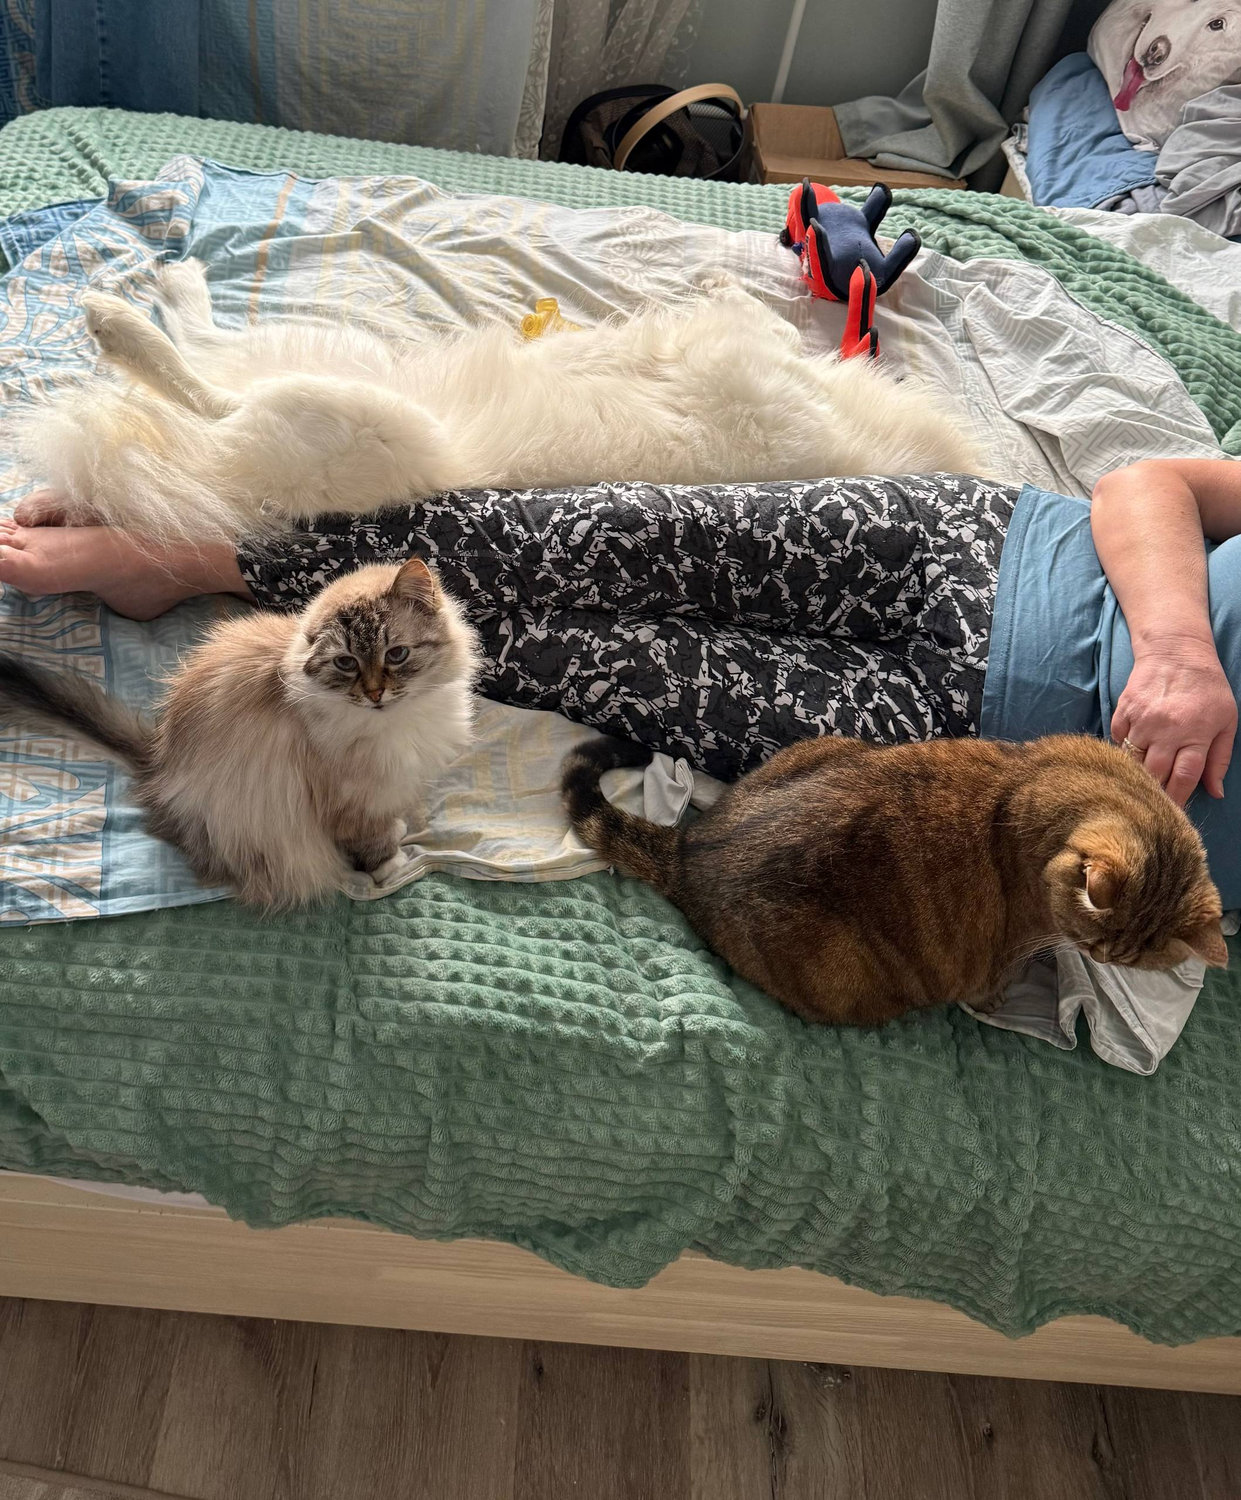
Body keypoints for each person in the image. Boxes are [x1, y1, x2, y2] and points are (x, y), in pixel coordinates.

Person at [0, 456, 1238, 892]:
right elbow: (1147, 485)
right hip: (984, 557)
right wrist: (1179, 648)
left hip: (964, 747)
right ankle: (191, 557)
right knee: (549, 536)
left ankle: (224, 577)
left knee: (547, 658)